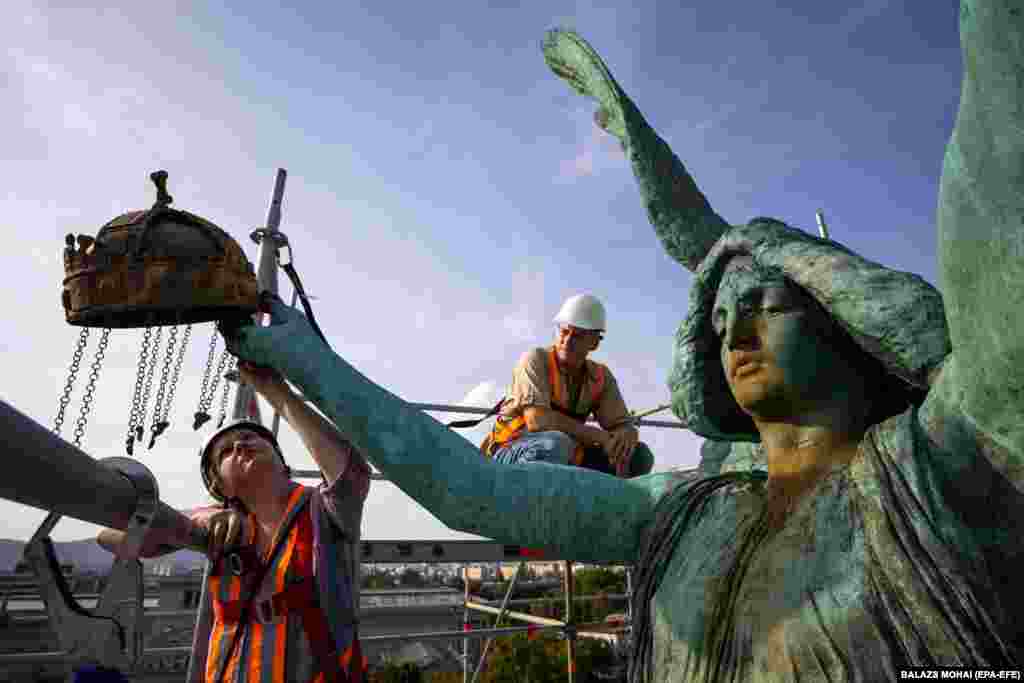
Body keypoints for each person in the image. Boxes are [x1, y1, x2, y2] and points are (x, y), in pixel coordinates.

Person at [221, 4, 1024, 680]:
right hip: (524, 451)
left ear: (843, 314)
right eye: (716, 320)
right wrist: (305, 359)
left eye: (764, 304)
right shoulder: (683, 509)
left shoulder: (948, 458)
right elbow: (470, 482)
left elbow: (995, 153)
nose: (732, 329)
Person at [97, 361, 370, 683]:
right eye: (226, 451)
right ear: (220, 486)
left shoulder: (325, 510)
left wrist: (276, 392)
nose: (240, 444)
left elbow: (349, 473)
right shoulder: (217, 526)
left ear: (282, 464)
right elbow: (110, 537)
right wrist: (197, 519)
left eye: (251, 438)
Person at [481, 293, 654, 478]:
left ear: (594, 342)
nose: (568, 340)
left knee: (638, 456)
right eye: (564, 331)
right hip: (512, 450)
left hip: (567, 452)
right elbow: (538, 421)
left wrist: (626, 437)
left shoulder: (601, 376)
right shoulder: (535, 360)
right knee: (556, 444)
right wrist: (602, 437)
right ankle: (520, 499)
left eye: (578, 335)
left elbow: (621, 425)